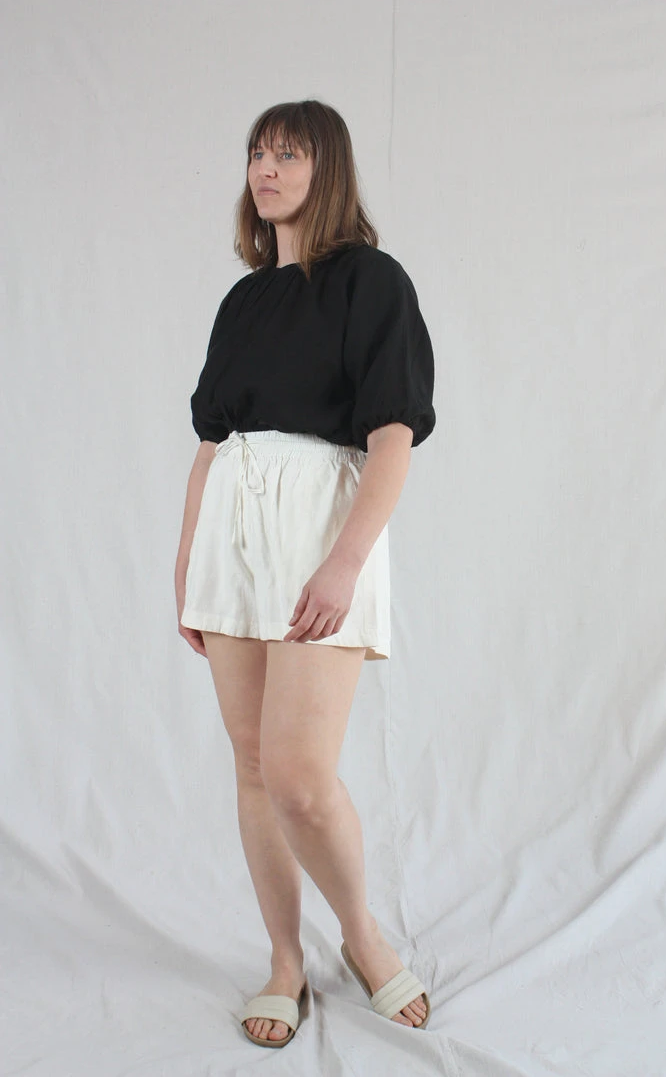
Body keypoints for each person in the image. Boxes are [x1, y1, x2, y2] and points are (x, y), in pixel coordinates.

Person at [174, 99, 436, 1049]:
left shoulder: (372, 281)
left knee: (298, 776)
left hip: (320, 527)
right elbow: (212, 444)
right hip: (230, 535)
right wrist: (187, 561)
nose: (266, 168)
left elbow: (393, 435)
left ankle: (361, 936)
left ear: (328, 169)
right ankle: (285, 960)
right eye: (257, 153)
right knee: (251, 764)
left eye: (288, 153)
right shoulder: (242, 301)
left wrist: (345, 563)